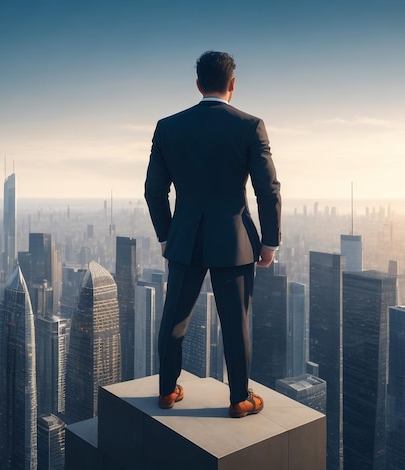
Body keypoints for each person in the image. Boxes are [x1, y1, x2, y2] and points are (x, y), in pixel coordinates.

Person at [144, 51, 281, 418]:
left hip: (184, 239)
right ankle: (239, 398)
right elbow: (268, 190)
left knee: (173, 318)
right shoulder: (250, 126)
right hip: (234, 242)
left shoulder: (168, 126)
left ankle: (167, 391)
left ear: (198, 84)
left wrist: (166, 235)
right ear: (232, 85)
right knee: (236, 324)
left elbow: (154, 191)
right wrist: (269, 242)